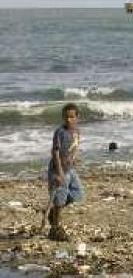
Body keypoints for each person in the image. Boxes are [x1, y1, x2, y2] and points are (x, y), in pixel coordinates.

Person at [46, 103, 84, 242]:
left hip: (70, 169)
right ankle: (55, 229)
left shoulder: (77, 131)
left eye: (72, 117)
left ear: (77, 117)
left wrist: (74, 159)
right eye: (66, 117)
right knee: (60, 200)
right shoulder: (60, 132)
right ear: (63, 117)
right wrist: (59, 173)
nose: (69, 120)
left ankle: (53, 212)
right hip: (58, 170)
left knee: (77, 194)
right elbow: (55, 153)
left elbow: (75, 147)